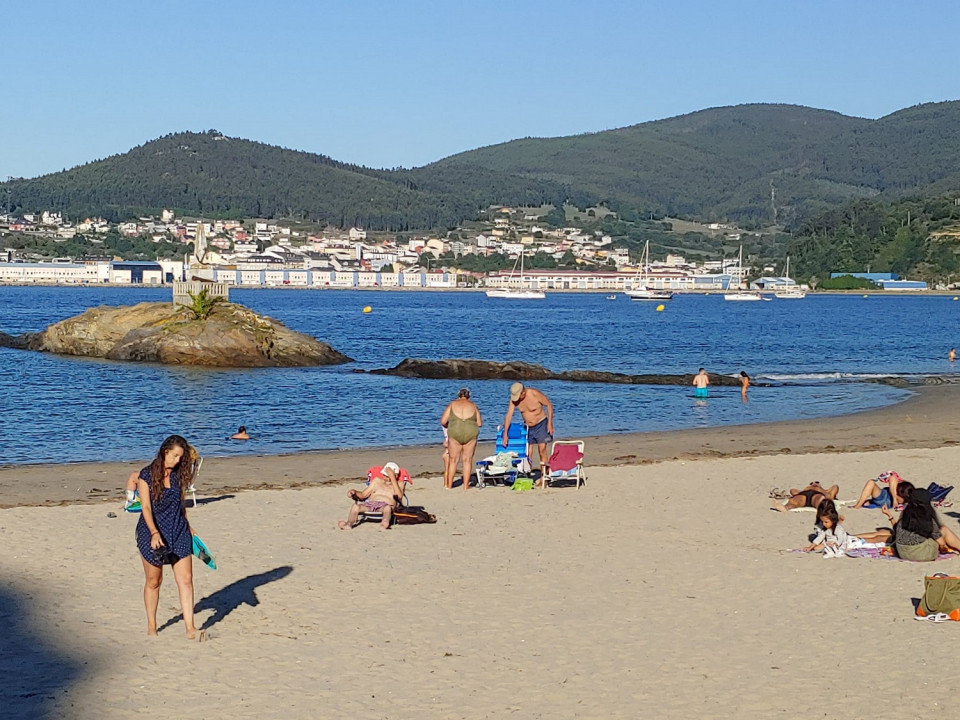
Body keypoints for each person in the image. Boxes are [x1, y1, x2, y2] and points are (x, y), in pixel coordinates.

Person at [134, 435, 199, 639]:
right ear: (165, 452)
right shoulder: (146, 475)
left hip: (178, 529)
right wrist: (154, 533)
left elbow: (180, 503)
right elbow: (145, 507)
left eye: (180, 457)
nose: (177, 461)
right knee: (154, 581)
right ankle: (152, 627)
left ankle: (190, 628)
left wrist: (189, 526)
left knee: (186, 580)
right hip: (151, 532)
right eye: (175, 456)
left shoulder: (178, 475)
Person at [503, 382, 554, 486]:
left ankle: (544, 477)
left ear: (523, 392)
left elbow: (549, 405)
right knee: (528, 453)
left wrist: (550, 423)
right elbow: (508, 416)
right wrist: (505, 434)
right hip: (528, 427)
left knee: (542, 450)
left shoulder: (534, 393)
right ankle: (528, 476)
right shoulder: (515, 400)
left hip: (541, 423)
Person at [894, 487, 960, 561]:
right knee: (944, 530)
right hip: (921, 554)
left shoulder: (905, 514)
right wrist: (943, 546)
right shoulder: (926, 518)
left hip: (902, 552)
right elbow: (941, 542)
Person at [338, 462, 403, 530]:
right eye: (383, 474)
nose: (384, 477)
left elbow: (399, 496)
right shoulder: (377, 481)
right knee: (355, 506)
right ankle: (349, 524)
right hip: (371, 504)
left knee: (387, 508)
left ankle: (384, 523)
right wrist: (354, 492)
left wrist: (392, 477)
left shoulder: (399, 484)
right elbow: (363, 495)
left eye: (387, 476)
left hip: (386, 506)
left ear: (395, 476)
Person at [441, 388, 482, 490]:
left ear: (458, 395)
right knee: (467, 460)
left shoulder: (452, 404)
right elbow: (479, 423)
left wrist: (451, 424)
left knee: (453, 460)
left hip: (455, 432)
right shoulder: (473, 406)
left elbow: (443, 421)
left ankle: (449, 485)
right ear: (469, 396)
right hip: (470, 432)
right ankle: (466, 486)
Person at [772, 480, 839, 512]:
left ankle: (822, 508)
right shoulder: (808, 488)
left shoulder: (823, 491)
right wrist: (800, 492)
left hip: (816, 494)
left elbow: (835, 487)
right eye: (811, 483)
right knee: (794, 501)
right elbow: (793, 490)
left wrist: (822, 489)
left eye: (816, 482)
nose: (813, 483)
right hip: (804, 494)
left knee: (820, 500)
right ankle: (785, 507)